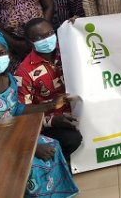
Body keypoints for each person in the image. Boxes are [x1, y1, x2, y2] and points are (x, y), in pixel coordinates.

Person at [0, 28, 78, 197]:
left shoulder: (7, 79)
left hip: (5, 136)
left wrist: (51, 105)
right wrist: (31, 148)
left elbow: (15, 109)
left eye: (2, 53)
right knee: (31, 162)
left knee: (53, 145)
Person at [15, 18, 82, 162]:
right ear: (29, 43)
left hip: (81, 110)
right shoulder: (24, 72)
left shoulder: (66, 49)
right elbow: (23, 111)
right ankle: (56, 165)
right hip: (52, 122)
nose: (47, 39)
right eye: (40, 38)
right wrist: (52, 121)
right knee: (72, 139)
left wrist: (79, 26)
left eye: (50, 33)